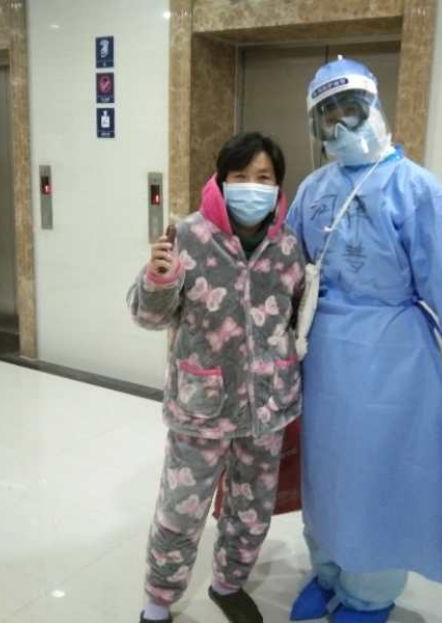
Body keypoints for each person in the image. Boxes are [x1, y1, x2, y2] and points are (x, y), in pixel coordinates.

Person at [286, 58, 442, 623]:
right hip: (323, 357)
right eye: (326, 116)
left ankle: (369, 593)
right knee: (325, 472)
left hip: (391, 358)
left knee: (377, 476)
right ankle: (328, 571)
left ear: (374, 108)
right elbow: (286, 267)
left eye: (349, 111)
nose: (339, 126)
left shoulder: (419, 191)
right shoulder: (312, 190)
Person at [127, 132, 305, 623]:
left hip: (266, 407)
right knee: (181, 511)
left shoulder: (289, 246)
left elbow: (295, 317)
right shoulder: (187, 236)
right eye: (241, 176)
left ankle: (228, 584)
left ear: (278, 185)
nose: (252, 186)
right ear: (221, 180)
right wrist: (158, 280)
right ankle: (158, 601)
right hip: (201, 406)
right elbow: (147, 316)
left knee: (251, 508)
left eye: (264, 178)